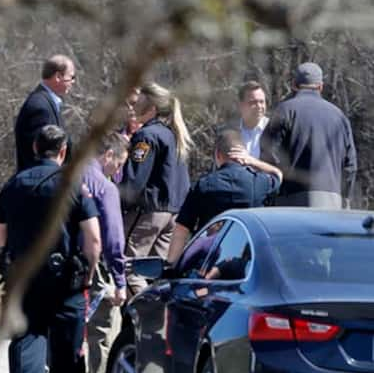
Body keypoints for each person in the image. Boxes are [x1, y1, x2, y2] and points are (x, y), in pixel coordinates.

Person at [0, 125, 101, 373]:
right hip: (65, 277)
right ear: (64, 151)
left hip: (25, 275)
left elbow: (1, 235)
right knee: (68, 345)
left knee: (28, 337)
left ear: (34, 148)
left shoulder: (14, 184)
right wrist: (89, 274)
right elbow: (93, 238)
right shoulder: (73, 185)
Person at [166, 129, 282, 264]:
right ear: (243, 155)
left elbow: (182, 229)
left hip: (209, 260)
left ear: (218, 155)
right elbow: (278, 174)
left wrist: (170, 266)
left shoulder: (203, 185)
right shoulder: (260, 182)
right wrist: (252, 161)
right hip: (247, 259)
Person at [118, 82, 191, 294]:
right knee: (156, 274)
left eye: (139, 103)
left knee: (130, 270)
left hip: (149, 213)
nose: (133, 107)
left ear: (151, 109)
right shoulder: (172, 135)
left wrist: (116, 205)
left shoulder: (147, 136)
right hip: (172, 215)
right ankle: (160, 321)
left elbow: (133, 182)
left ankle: (147, 316)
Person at [79, 132, 128, 373]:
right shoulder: (104, 188)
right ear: (108, 155)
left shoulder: (66, 175)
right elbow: (113, 239)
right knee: (102, 332)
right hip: (94, 264)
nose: (118, 172)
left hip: (58, 258)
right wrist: (119, 279)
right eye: (118, 163)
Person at [260, 62, 357, 208]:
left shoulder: (285, 111)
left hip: (291, 200)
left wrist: (272, 190)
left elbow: (268, 152)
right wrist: (344, 198)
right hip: (332, 200)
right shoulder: (340, 117)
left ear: (294, 85)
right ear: (320, 86)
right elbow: (350, 166)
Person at [13, 55, 76, 172]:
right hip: (41, 185)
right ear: (58, 76)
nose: (73, 82)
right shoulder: (40, 108)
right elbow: (40, 157)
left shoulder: (47, 103)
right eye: (71, 77)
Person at [220, 80, 269, 160]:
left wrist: (249, 160)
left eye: (262, 102)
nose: (259, 106)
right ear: (240, 105)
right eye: (253, 102)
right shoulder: (229, 132)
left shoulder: (274, 129)